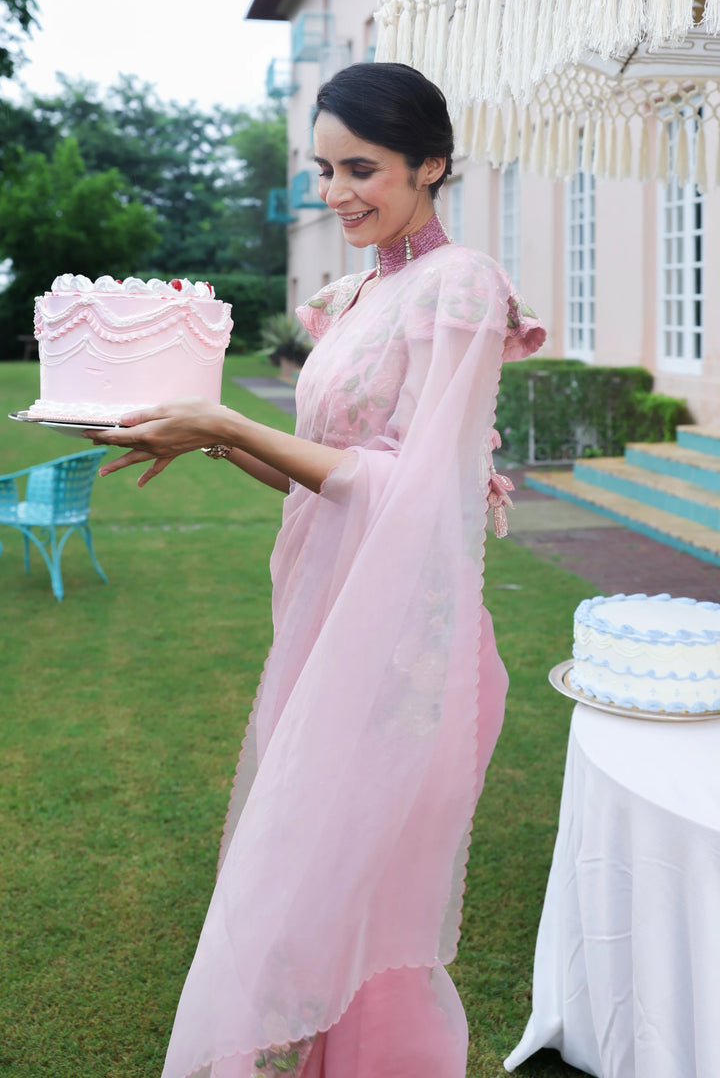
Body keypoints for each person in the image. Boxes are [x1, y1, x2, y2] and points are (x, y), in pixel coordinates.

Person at [88, 62, 545, 1078]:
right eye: (324, 170)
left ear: (431, 165)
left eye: (361, 168)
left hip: (409, 644)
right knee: (315, 894)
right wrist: (212, 440)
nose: (336, 192)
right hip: (328, 617)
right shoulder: (360, 294)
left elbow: (418, 493)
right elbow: (329, 479)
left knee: (365, 911)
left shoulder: (459, 285)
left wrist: (228, 421)